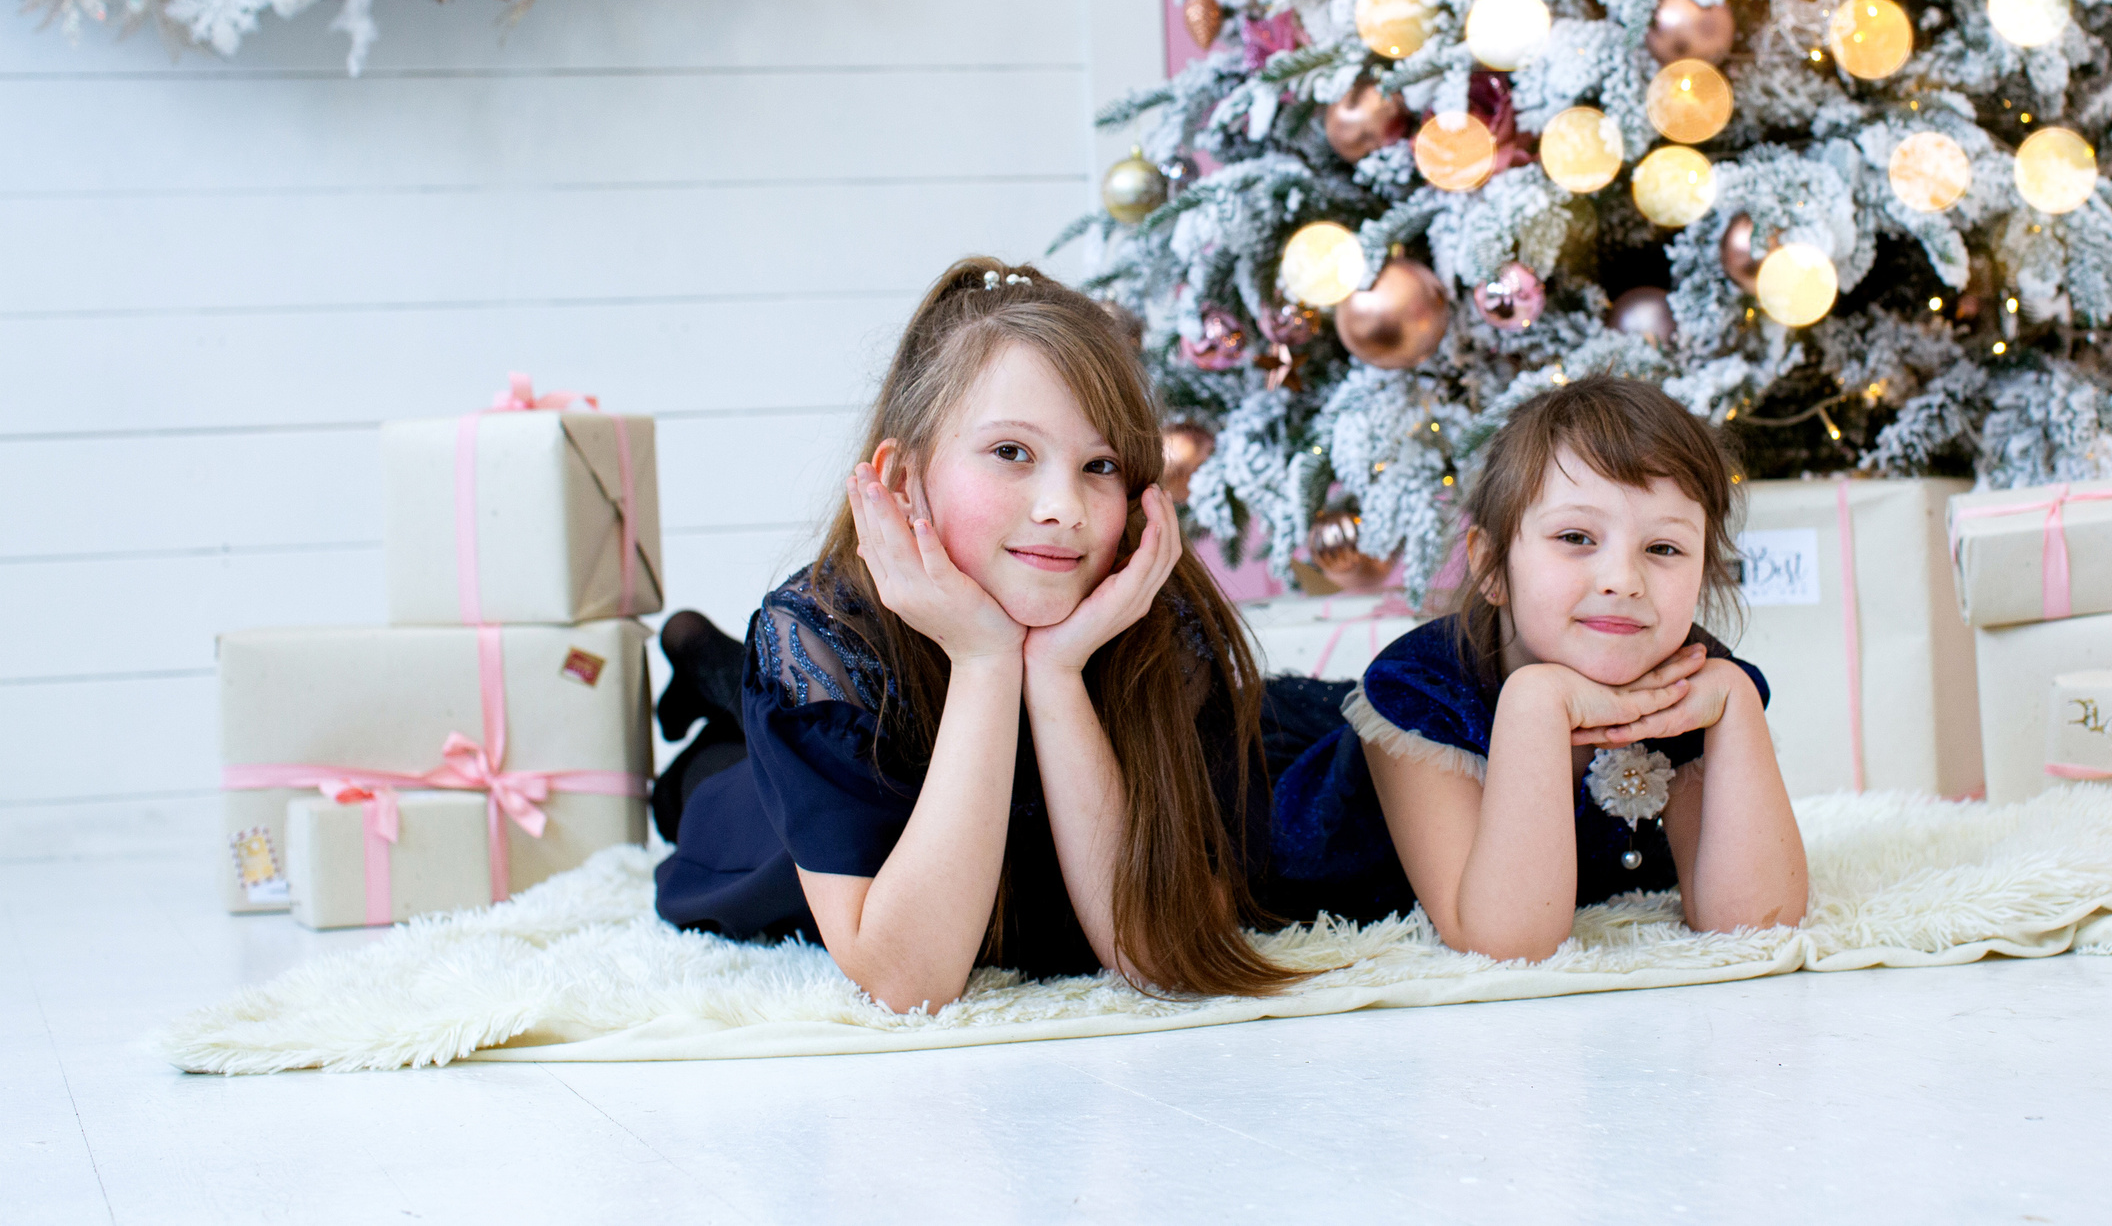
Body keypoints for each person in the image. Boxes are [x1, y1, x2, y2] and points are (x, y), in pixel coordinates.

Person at [652, 258, 1301, 1011]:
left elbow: (1153, 953)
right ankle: (710, 671)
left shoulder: (1152, 617)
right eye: (1011, 452)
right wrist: (984, 657)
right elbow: (907, 981)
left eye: (1100, 465)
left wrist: (1056, 673)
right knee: (701, 786)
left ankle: (709, 666)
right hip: (780, 816)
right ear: (903, 479)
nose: (1064, 506)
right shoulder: (818, 638)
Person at [1266, 376, 1809, 960]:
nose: (1623, 581)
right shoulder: (1420, 691)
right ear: (1493, 566)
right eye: (1576, 537)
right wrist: (1537, 704)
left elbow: (1754, 923)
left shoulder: (1691, 680)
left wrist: (1736, 699)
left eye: (1664, 548)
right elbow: (1508, 942)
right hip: (1286, 840)